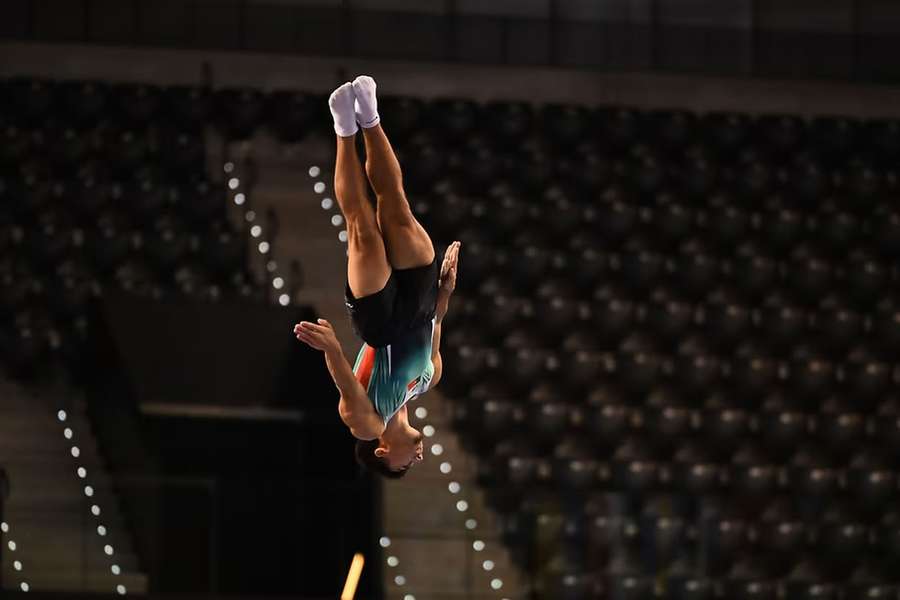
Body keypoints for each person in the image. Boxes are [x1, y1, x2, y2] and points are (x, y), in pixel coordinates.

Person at [294, 76, 460, 479]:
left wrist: (332, 348)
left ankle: (344, 131)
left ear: (383, 453)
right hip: (420, 305)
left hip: (379, 324)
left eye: (406, 466)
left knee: (362, 229)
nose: (417, 459)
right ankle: (370, 117)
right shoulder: (427, 380)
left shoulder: (368, 426)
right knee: (396, 207)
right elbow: (434, 327)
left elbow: (346, 388)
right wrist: (446, 290)